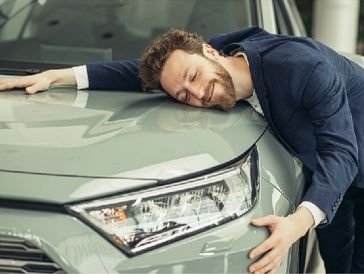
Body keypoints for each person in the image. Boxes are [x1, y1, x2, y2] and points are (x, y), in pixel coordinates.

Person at [0, 27, 363, 274]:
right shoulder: (216, 59)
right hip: (327, 177)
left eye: (193, 77)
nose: (196, 94)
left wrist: (295, 224)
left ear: (209, 51)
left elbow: (343, 153)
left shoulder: (303, 67)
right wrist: (56, 76)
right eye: (182, 95)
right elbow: (135, 74)